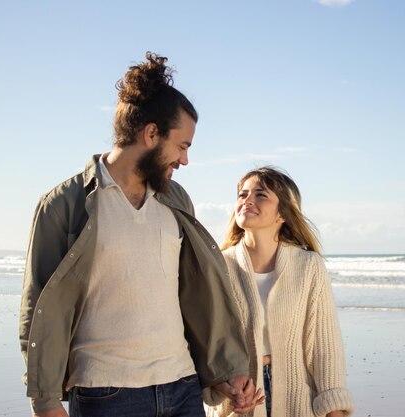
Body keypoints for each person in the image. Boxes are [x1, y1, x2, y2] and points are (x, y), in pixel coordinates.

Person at [19, 52, 259, 417]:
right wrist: (45, 400)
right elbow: (38, 307)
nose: (185, 161)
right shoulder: (65, 204)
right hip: (106, 395)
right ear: (150, 134)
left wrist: (223, 373)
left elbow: (194, 294)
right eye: (182, 146)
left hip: (182, 388)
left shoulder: (176, 200)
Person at [206, 166, 354, 417]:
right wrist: (225, 390)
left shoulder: (309, 266)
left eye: (260, 194)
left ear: (282, 214)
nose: (247, 200)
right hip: (238, 400)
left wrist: (334, 410)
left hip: (296, 397)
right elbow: (208, 344)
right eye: (242, 195)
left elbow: (325, 347)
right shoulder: (218, 266)